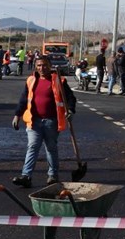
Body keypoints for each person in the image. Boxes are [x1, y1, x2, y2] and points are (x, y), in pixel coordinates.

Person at [11, 55, 77, 187]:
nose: (42, 68)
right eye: (39, 65)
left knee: (51, 148)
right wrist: (17, 115)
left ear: (50, 65)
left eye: (45, 65)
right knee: (32, 147)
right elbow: (24, 99)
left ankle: (53, 175)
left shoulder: (59, 80)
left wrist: (70, 110)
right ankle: (26, 176)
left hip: (51, 121)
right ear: (36, 66)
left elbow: (71, 98)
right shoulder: (31, 80)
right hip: (34, 121)